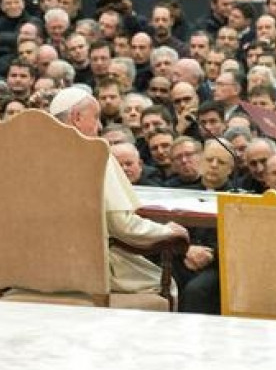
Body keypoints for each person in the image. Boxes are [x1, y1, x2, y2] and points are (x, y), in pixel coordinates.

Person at [48, 87, 188, 296]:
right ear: (76, 117)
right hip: (87, 270)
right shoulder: (95, 156)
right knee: (164, 285)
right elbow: (123, 227)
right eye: (95, 118)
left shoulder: (30, 158)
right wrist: (167, 231)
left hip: (39, 268)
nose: (100, 126)